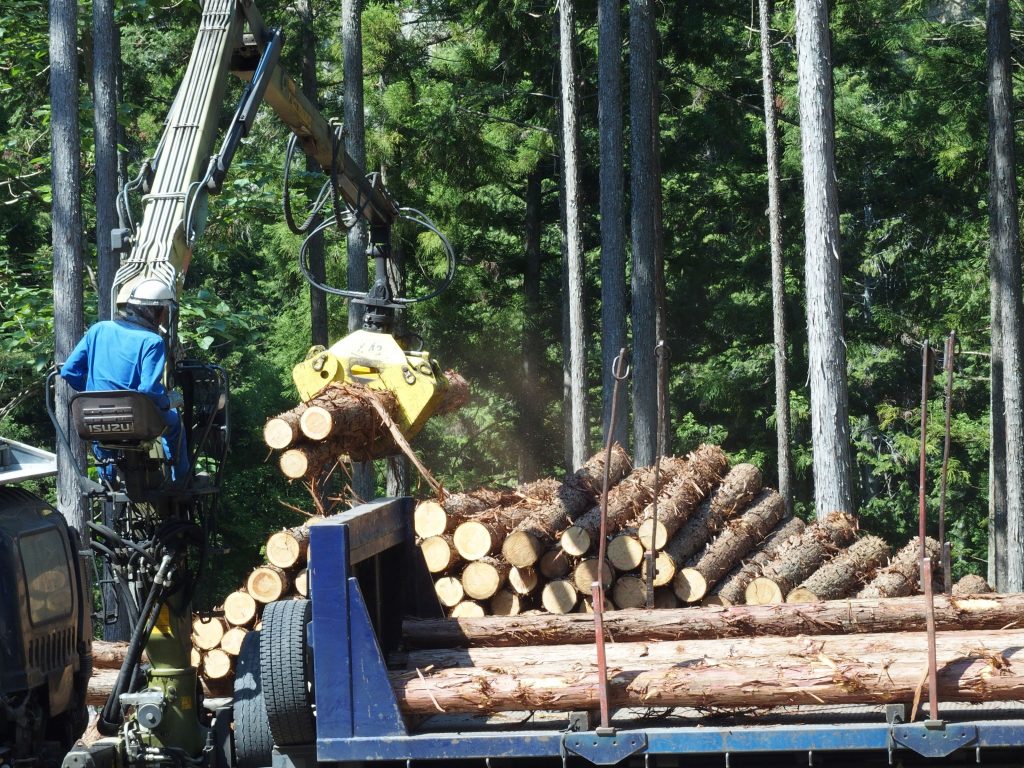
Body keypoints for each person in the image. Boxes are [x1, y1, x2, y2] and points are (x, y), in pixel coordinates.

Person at [61, 278, 190, 484]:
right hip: (134, 417)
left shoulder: (99, 329)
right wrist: (168, 402)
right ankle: (180, 480)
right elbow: (147, 388)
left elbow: (69, 371)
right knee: (176, 424)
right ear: (156, 311)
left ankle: (108, 480)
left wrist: (91, 395)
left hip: (92, 416)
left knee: (102, 435)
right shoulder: (152, 341)